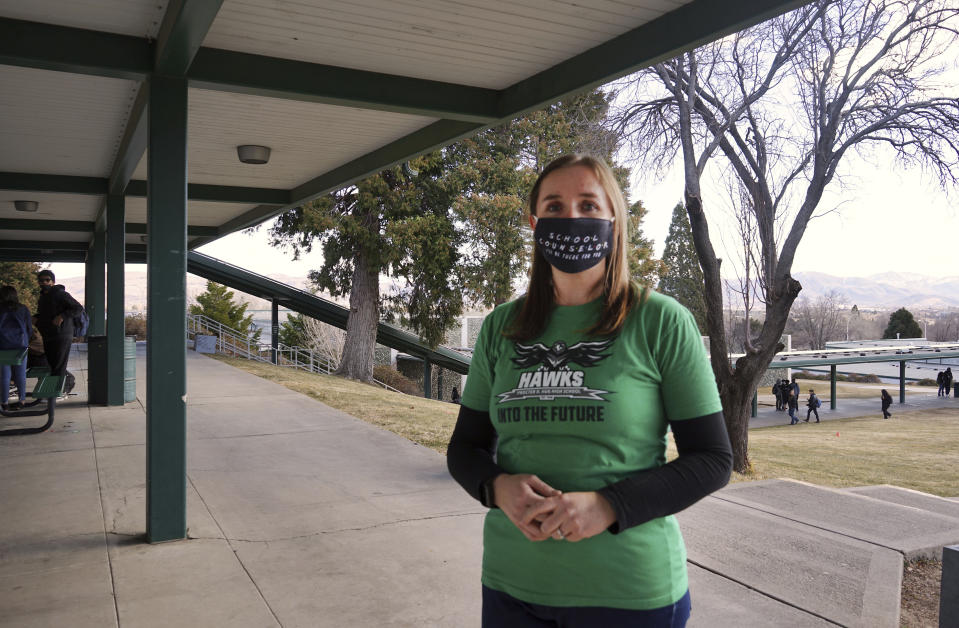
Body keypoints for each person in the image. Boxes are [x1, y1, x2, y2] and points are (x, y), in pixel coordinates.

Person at [446, 154, 732, 627]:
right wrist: (497, 486)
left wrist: (608, 506)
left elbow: (713, 459)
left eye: (587, 204)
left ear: (613, 220)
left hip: (627, 594)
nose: (572, 218)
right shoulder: (502, 326)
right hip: (510, 585)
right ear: (535, 223)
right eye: (555, 206)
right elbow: (465, 448)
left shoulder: (660, 321)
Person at [33, 269, 82, 393]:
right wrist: (37, 318)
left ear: (53, 282)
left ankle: (57, 392)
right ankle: (59, 388)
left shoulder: (60, 293)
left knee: (58, 365)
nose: (44, 282)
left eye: (47, 280)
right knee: (52, 365)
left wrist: (62, 316)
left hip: (62, 335)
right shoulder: (43, 297)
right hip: (48, 335)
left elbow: (78, 308)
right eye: (41, 280)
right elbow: (47, 315)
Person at [0, 286, 33, 411]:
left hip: (2, 346)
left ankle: (4, 403)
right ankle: (21, 401)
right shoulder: (22, 309)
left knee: (4, 376)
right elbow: (29, 328)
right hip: (20, 346)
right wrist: (26, 340)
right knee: (20, 374)